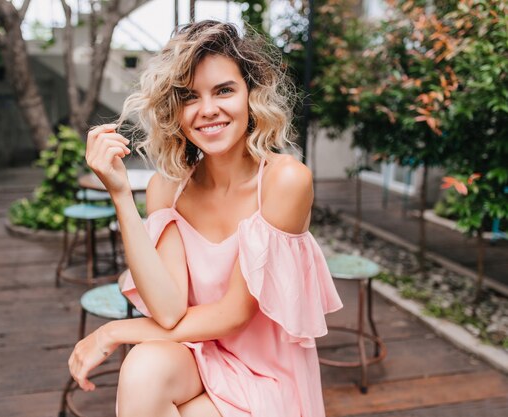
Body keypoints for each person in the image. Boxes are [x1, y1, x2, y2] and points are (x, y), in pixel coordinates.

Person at [68, 20, 343, 417]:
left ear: (252, 94)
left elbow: (231, 316)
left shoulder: (285, 181)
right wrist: (121, 194)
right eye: (189, 97)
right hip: (201, 356)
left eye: (224, 90)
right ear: (174, 110)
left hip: (267, 375)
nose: (208, 110)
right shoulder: (170, 188)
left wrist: (111, 331)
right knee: (142, 370)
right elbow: (167, 310)